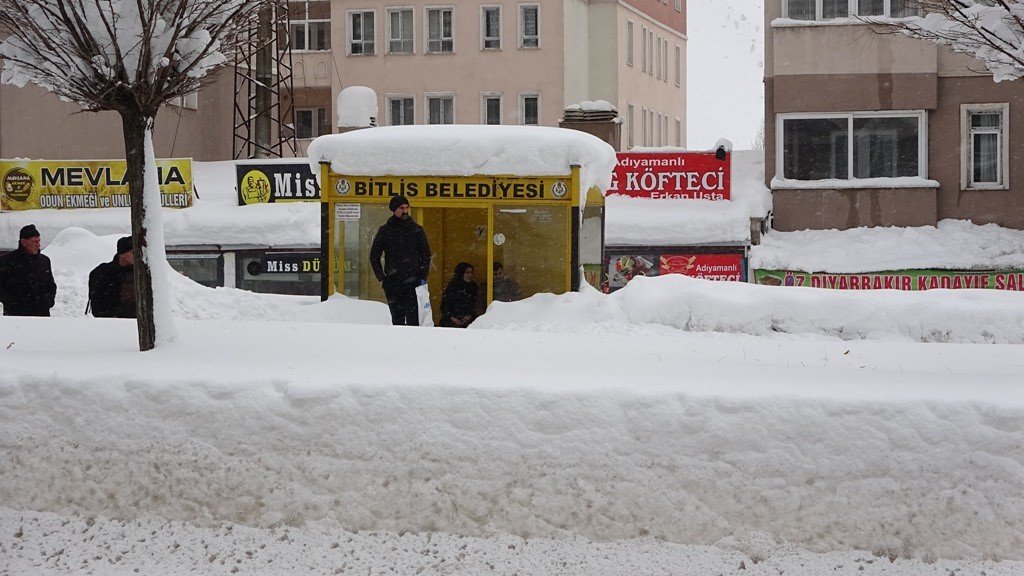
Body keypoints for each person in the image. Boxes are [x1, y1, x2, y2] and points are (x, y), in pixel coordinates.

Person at [370, 195, 432, 326]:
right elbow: (374, 256)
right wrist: (382, 278)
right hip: (393, 283)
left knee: (414, 320)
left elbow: (426, 255)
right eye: (401, 208)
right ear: (394, 210)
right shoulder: (385, 231)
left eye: (406, 207)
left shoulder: (416, 230)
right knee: (397, 320)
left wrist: (422, 276)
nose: (405, 211)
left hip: (413, 283)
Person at [0, 224, 57, 317]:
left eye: (39, 241)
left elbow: (51, 285)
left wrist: (48, 301)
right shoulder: (7, 261)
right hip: (16, 315)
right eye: (34, 241)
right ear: (23, 242)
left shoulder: (44, 261)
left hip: (41, 315)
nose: (38, 245)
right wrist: (10, 301)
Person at [88, 236, 137, 318]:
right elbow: (97, 307)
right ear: (122, 254)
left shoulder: (143, 273)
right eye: (132, 252)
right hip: (110, 322)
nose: (137, 256)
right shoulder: (102, 273)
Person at [440, 262, 478, 328]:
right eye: (467, 272)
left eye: (472, 272)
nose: (470, 275)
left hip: (469, 320)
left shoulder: (474, 287)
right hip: (452, 320)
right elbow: (445, 306)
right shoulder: (452, 287)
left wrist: (469, 316)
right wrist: (452, 318)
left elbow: (477, 305)